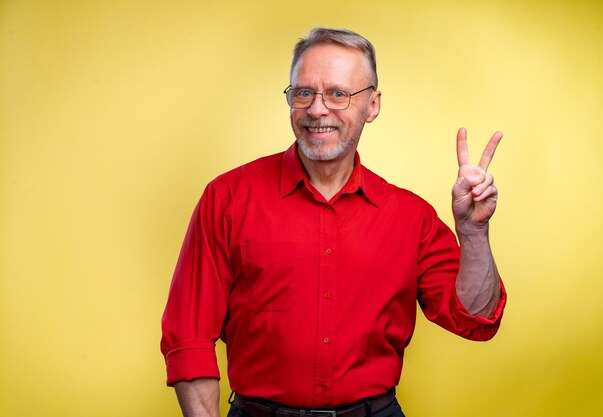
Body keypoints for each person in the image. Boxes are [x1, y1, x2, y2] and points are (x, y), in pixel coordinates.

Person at [161, 27, 506, 417]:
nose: (317, 109)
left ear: (372, 105)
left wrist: (474, 233)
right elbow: (189, 337)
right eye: (303, 92)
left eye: (338, 94)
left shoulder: (411, 217)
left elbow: (475, 318)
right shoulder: (227, 199)